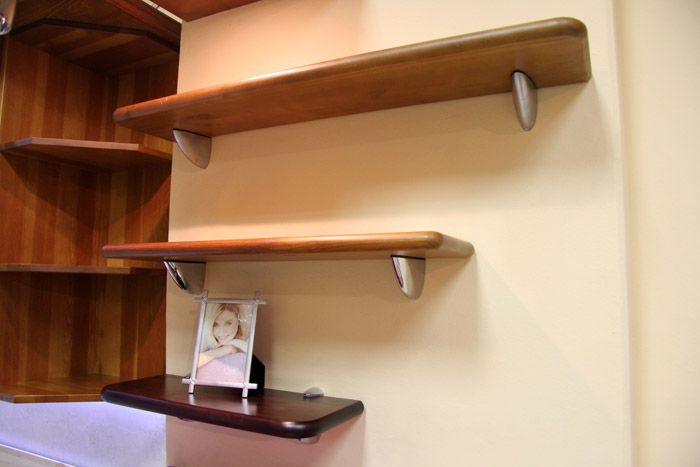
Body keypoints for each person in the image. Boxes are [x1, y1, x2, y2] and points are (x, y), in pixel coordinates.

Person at [196, 303, 249, 382]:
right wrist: (225, 349)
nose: (221, 331)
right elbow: (195, 363)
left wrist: (235, 342)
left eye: (228, 323)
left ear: (238, 322)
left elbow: (250, 352)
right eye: (216, 324)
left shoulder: (246, 342)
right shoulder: (206, 341)